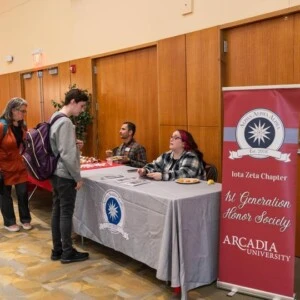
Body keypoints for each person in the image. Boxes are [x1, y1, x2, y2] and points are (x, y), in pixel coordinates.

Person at [49, 88, 89, 264]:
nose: (82, 110)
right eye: (81, 106)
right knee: (65, 213)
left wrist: (74, 143)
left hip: (56, 173)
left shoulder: (54, 116)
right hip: (65, 174)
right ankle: (67, 251)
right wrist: (77, 177)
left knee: (57, 211)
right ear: (72, 102)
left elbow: (59, 146)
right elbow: (67, 155)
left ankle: (58, 249)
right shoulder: (65, 122)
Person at [0, 97, 32, 232]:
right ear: (13, 110)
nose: (24, 114)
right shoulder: (2, 126)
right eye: (22, 111)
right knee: (5, 196)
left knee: (23, 193)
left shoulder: (22, 125)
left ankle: (25, 219)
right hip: (4, 167)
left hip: (19, 166)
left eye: (25, 111)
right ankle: (9, 222)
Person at [137, 129, 206, 181]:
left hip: (191, 193)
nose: (171, 139)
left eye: (176, 138)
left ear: (184, 143)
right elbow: (155, 165)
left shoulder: (191, 156)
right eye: (171, 137)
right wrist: (145, 170)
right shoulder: (167, 155)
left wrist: (162, 176)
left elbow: (184, 174)